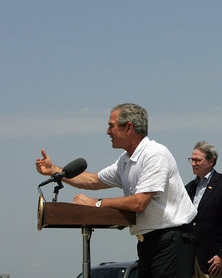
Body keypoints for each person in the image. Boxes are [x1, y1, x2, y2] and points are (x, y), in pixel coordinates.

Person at [35, 103, 197, 278]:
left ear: (129, 128)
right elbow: (92, 180)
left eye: (111, 126)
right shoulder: (125, 160)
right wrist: (54, 170)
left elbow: (139, 202)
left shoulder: (155, 154)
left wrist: (96, 203)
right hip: (148, 242)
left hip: (171, 242)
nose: (107, 132)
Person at [185, 141, 222, 278]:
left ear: (211, 161)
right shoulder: (189, 188)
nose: (193, 163)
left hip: (215, 263)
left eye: (198, 160)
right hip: (192, 261)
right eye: (192, 160)